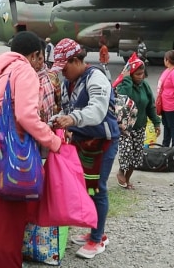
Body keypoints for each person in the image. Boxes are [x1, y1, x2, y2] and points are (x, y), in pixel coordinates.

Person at [0, 31, 62, 268]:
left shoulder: (3, 72)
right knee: (10, 220)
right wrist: (54, 141)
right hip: (2, 149)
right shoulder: (25, 71)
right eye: (41, 58)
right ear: (34, 56)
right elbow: (26, 116)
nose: (42, 63)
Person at [50, 38, 120, 260]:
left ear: (75, 60)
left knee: (97, 188)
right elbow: (66, 108)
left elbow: (97, 111)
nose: (63, 73)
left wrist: (72, 119)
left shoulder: (96, 77)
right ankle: (94, 230)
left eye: (64, 67)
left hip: (102, 141)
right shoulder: (69, 82)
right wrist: (57, 119)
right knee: (86, 186)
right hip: (83, 141)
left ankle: (97, 239)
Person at [115, 56, 161, 189]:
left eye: (142, 74)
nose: (141, 77)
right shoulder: (124, 85)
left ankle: (127, 179)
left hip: (140, 126)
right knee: (126, 152)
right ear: (130, 74)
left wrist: (156, 123)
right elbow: (125, 96)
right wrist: (127, 79)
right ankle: (120, 172)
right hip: (126, 128)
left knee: (136, 156)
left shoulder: (145, 86)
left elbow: (150, 106)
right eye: (137, 74)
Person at [157, 50, 174, 148]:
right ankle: (165, 145)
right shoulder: (168, 70)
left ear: (167, 60)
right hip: (165, 104)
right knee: (166, 125)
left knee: (172, 126)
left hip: (172, 105)